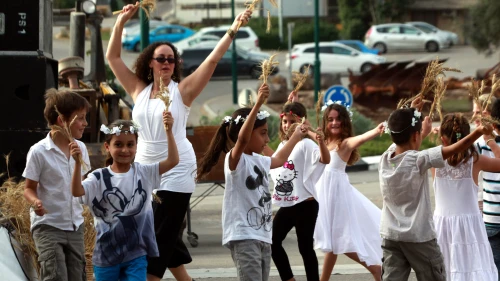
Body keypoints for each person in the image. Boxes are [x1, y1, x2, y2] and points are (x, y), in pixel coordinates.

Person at [106, 3, 252, 281]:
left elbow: (211, 60)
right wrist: (121, 22)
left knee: (159, 232)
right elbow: (113, 58)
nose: (166, 63)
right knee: (157, 228)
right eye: (161, 58)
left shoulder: (183, 91)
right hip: (146, 169)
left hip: (177, 169)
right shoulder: (139, 88)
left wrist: (233, 28)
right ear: (150, 61)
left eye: (171, 60)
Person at [197, 84, 308, 281]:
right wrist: (257, 104)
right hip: (244, 235)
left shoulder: (258, 159)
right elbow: (242, 139)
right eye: (263, 133)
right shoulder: (236, 159)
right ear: (247, 135)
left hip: (262, 235)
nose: (267, 138)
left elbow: (279, 160)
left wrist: (297, 135)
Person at [379, 98, 493, 281]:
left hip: (391, 234)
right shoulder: (420, 160)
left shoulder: (386, 158)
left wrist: (411, 115)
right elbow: (455, 149)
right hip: (418, 236)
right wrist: (479, 132)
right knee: (434, 276)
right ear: (416, 136)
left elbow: (404, 141)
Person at [70, 115, 179, 281]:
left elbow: (172, 161)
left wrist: (169, 131)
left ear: (137, 146)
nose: (125, 150)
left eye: (130, 144)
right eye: (118, 144)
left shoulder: (144, 172)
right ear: (107, 146)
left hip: (137, 253)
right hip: (105, 256)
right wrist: (77, 164)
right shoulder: (98, 177)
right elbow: (77, 191)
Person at [22, 88, 91, 281]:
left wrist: (78, 162)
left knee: (77, 276)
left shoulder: (82, 148)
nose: (85, 123)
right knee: (55, 275)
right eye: (81, 118)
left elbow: (82, 187)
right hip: (48, 225)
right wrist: (36, 202)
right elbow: (28, 188)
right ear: (62, 121)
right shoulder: (38, 152)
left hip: (75, 224)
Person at [314, 100, 384, 281]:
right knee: (331, 241)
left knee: (336, 240)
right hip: (323, 194)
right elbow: (303, 127)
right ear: (325, 122)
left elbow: (360, 139)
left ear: (344, 121)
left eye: (338, 119)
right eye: (330, 119)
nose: (334, 123)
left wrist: (376, 131)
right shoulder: (323, 141)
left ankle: (375, 268)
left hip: (337, 195)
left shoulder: (344, 144)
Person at [267, 102, 330, 281]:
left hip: (306, 204)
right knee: (272, 241)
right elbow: (276, 162)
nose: (287, 125)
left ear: (301, 123)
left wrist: (320, 141)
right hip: (289, 204)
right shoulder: (283, 145)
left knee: (305, 248)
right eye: (284, 121)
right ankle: (289, 279)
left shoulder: (306, 145)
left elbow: (325, 159)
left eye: (291, 121)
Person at [433, 113, 498, 281]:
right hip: (470, 227)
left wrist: (425, 133)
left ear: (443, 139)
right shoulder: (476, 161)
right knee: (473, 269)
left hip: (442, 226)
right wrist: (490, 141)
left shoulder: (433, 161)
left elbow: (411, 153)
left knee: (445, 271)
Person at [476, 98, 500, 276]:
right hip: (491, 220)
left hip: (491, 218)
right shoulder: (484, 144)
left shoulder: (483, 145)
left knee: (493, 270)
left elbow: (460, 151)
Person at [472, 93, 497, 210]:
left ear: (488, 114)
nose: (474, 116)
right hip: (480, 196)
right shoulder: (476, 137)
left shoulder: (492, 138)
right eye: (473, 112)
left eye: (477, 112)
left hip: (490, 198)